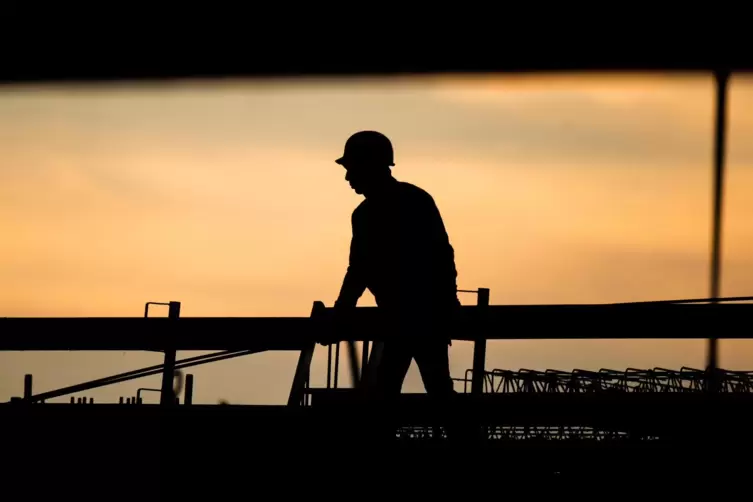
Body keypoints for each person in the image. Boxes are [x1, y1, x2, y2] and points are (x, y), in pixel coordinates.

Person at [328, 130, 461, 402]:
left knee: (397, 391)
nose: (347, 177)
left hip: (416, 317)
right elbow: (360, 268)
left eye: (351, 168)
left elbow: (359, 269)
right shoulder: (401, 203)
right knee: (428, 390)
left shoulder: (393, 207)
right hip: (415, 316)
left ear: (370, 165)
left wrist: (342, 311)